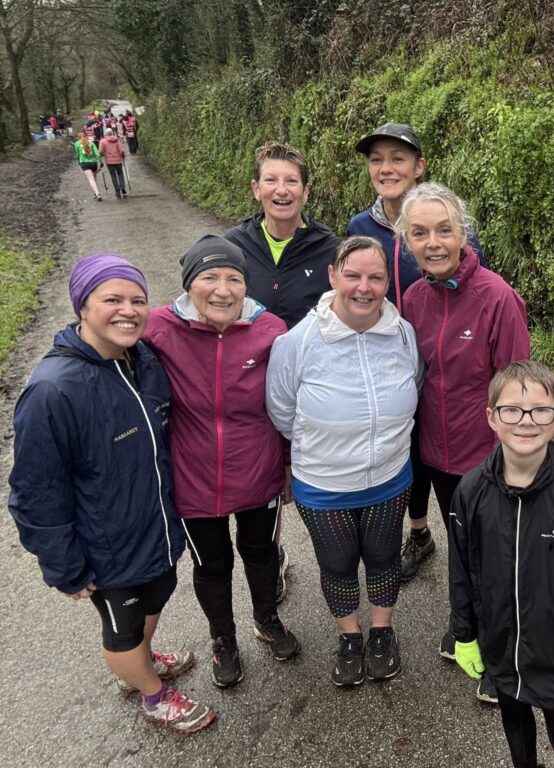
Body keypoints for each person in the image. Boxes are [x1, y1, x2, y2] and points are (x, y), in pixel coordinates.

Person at [7, 254, 216, 734]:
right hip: (106, 550)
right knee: (122, 630)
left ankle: (141, 662)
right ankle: (152, 694)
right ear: (82, 306)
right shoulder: (53, 391)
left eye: (138, 300)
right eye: (112, 299)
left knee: (157, 598)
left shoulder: (143, 360)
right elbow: (33, 493)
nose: (128, 310)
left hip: (156, 528)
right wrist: (65, 568)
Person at [142, 235, 301, 689]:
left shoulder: (271, 329)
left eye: (234, 278)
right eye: (209, 277)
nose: (222, 289)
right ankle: (223, 640)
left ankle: (267, 620)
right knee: (211, 565)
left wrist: (289, 465)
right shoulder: (158, 328)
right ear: (189, 285)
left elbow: (288, 401)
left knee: (261, 551)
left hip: (259, 470)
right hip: (192, 478)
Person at [449, 360, 554, 768]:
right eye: (511, 409)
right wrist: (464, 633)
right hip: (500, 643)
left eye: (540, 410)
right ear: (491, 417)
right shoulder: (471, 491)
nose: (526, 421)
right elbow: (461, 570)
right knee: (515, 724)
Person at [266, 235, 422, 687]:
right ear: (333, 276)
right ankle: (349, 638)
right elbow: (281, 409)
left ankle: (381, 632)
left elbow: (416, 382)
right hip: (324, 485)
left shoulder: (402, 333)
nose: (363, 287)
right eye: (352, 275)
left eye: (375, 277)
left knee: (384, 559)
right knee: (337, 565)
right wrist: (325, 446)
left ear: (388, 283)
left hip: (389, 478)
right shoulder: (297, 342)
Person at [396, 182, 530, 703]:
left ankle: (504, 662)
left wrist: (515, 458)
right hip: (437, 454)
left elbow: (517, 388)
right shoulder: (412, 298)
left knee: (497, 557)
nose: (434, 242)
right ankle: (466, 628)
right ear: (407, 243)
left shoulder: (496, 296)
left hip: (488, 456)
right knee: (463, 546)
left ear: (463, 233)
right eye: (420, 233)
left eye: (444, 230)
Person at [348, 122, 490, 584]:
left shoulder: (443, 223)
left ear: (419, 166)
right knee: (404, 451)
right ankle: (419, 532)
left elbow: (475, 288)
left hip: (444, 359)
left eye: (398, 159)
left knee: (440, 452)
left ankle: (466, 553)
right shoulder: (361, 227)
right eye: (377, 160)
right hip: (388, 361)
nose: (387, 168)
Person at [224, 140, 341, 602]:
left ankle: (338, 567)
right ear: (256, 189)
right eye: (271, 180)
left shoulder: (328, 248)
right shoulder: (232, 247)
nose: (281, 189)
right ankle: (270, 560)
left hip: (310, 390)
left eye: (291, 180)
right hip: (249, 391)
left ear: (306, 193)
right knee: (263, 486)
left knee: (307, 481)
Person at [74, 131, 103, 201]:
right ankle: (95, 193)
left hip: (84, 163)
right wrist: (101, 161)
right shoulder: (91, 143)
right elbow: (97, 153)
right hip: (93, 162)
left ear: (78, 138)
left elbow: (77, 154)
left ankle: (97, 193)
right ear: (85, 136)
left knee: (91, 179)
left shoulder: (77, 144)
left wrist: (78, 161)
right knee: (94, 178)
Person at [99, 127, 127, 199]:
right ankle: (122, 188)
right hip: (118, 160)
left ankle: (117, 192)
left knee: (113, 176)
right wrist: (123, 156)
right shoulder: (117, 140)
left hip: (109, 161)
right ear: (112, 133)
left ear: (105, 134)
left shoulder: (103, 141)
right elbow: (121, 151)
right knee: (120, 174)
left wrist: (103, 155)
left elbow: (101, 152)